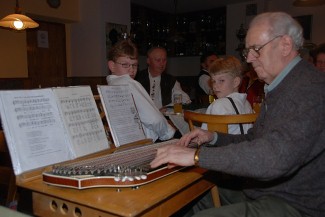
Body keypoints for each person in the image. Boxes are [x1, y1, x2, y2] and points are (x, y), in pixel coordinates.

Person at [150, 11, 325, 217]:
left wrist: (197, 156)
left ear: (285, 45)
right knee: (189, 197)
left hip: (295, 204)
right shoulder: (282, 85)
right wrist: (213, 137)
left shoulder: (309, 88)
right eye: (248, 52)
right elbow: (253, 139)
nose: (249, 58)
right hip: (264, 190)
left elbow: (274, 158)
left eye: (256, 49)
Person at [106, 40, 175, 142]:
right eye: (125, 65)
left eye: (134, 65)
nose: (131, 70)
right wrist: (168, 133)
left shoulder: (108, 87)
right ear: (112, 66)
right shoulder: (129, 83)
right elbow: (154, 119)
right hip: (144, 142)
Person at [201, 56, 253, 134]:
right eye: (213, 81)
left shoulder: (219, 105)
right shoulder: (247, 104)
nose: (215, 86)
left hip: (225, 145)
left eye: (221, 80)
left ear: (236, 82)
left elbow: (206, 136)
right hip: (245, 145)